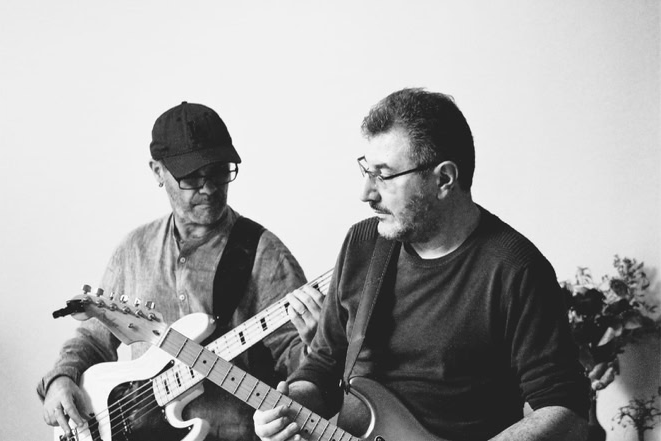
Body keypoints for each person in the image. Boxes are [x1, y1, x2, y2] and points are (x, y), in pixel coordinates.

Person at [253, 88, 591, 440]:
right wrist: (288, 407)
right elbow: (324, 366)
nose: (366, 193)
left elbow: (562, 406)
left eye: (384, 175)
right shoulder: (362, 244)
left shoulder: (516, 269)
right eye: (366, 170)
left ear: (444, 179)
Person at [38, 101, 324, 441]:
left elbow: (301, 366)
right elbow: (94, 338)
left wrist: (315, 343)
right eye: (191, 177)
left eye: (219, 171)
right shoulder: (134, 250)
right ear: (157, 171)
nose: (210, 188)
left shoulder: (266, 254)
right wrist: (62, 378)